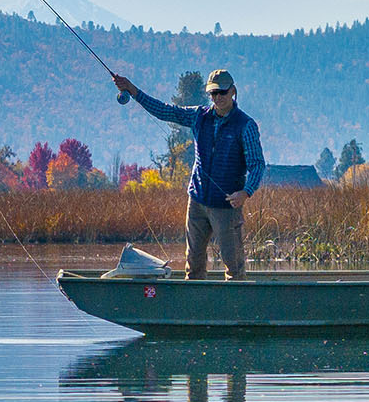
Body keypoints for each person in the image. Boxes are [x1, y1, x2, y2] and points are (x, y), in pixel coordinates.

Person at [111, 68, 265, 279]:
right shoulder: (199, 116)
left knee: (234, 264)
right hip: (197, 201)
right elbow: (165, 111)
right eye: (213, 93)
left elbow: (257, 164)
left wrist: (246, 192)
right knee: (193, 263)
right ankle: (195, 298)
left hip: (227, 205)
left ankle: (235, 298)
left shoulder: (246, 125)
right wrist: (133, 90)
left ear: (233, 91)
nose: (217, 97)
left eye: (222, 92)